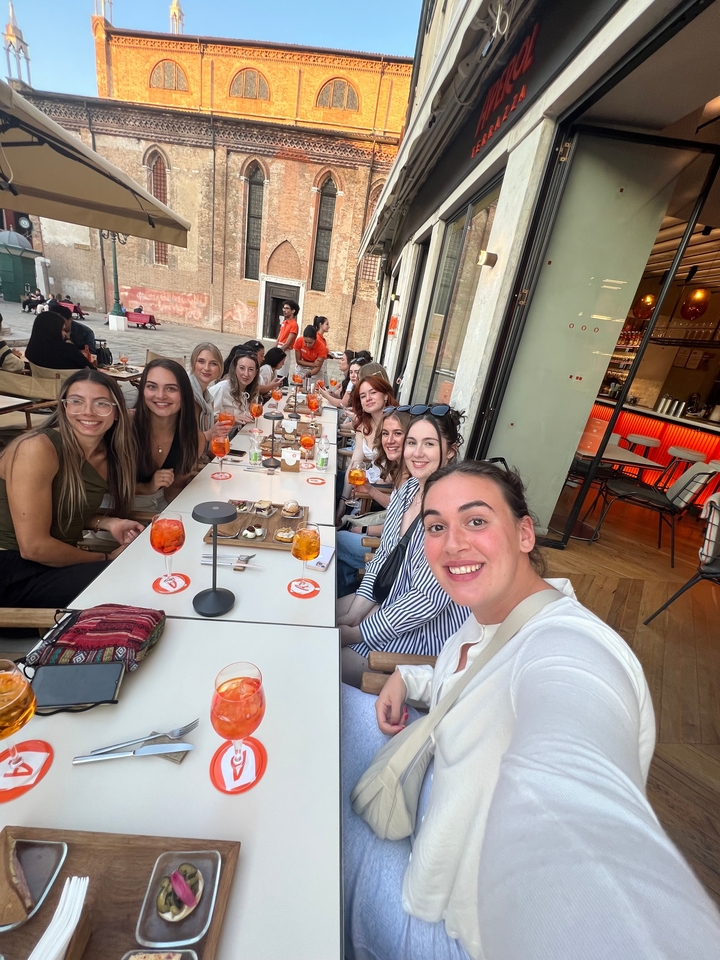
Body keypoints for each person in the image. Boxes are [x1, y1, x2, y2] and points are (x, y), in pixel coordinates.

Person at [342, 459, 720, 960]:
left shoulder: (572, 646)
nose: (452, 543)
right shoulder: (486, 617)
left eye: (476, 520)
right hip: (423, 782)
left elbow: (574, 787)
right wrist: (410, 678)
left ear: (524, 534)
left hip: (443, 924)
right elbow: (474, 678)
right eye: (436, 527)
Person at [337, 407, 468, 685]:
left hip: (426, 632)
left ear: (451, 451)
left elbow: (426, 600)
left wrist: (356, 632)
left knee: (324, 655)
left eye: (429, 444)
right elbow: (384, 556)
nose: (417, 453)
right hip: (390, 599)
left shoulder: (453, 512)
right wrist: (354, 614)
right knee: (318, 615)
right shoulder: (407, 491)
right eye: (412, 442)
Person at [0, 369, 143, 607]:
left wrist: (107, 523)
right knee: (135, 577)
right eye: (76, 401)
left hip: (58, 563)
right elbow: (33, 548)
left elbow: (58, 511)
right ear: (64, 407)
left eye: (101, 403)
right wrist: (105, 558)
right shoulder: (37, 449)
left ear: (117, 412)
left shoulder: (109, 456)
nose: (88, 411)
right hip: (13, 571)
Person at [336, 408, 411, 596]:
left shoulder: (414, 476)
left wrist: (365, 530)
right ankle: (345, 594)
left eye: (398, 433)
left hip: (394, 554)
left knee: (337, 540)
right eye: (385, 434)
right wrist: (370, 489)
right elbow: (396, 510)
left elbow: (404, 528)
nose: (390, 440)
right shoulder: (401, 468)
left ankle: (349, 596)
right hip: (388, 537)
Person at [133, 359, 205, 510]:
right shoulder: (124, 425)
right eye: (152, 386)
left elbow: (174, 489)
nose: (160, 395)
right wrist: (147, 487)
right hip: (116, 511)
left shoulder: (194, 439)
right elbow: (104, 485)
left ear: (184, 393)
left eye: (171, 389)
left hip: (159, 508)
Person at [337, 375, 398, 521]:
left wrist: (370, 488)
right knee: (330, 484)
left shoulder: (397, 425)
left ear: (386, 396)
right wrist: (342, 502)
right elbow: (355, 464)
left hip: (381, 490)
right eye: (363, 396)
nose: (368, 398)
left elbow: (399, 472)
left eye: (373, 392)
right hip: (366, 480)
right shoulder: (364, 426)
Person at [189, 342, 230, 441]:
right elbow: (186, 439)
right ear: (193, 363)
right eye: (201, 361)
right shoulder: (186, 393)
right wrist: (210, 433)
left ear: (220, 368)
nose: (206, 368)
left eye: (213, 364)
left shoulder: (208, 399)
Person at [25, 311, 93, 371]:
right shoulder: (68, 350)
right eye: (63, 330)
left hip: (40, 381)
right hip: (69, 381)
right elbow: (92, 369)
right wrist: (69, 341)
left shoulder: (31, 350)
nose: (65, 333)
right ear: (54, 331)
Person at [210, 350, 261, 428]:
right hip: (223, 435)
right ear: (234, 369)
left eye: (251, 369)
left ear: (256, 373)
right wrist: (231, 418)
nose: (246, 374)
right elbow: (207, 418)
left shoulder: (252, 391)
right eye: (242, 368)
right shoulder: (221, 389)